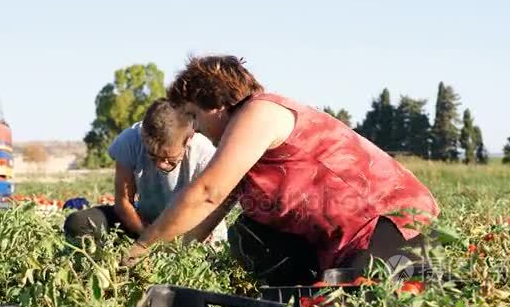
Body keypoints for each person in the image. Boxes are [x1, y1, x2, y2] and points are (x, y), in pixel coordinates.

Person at [123, 55, 440, 285]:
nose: (196, 129)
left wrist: (140, 249)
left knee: (369, 296)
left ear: (215, 103)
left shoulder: (260, 112)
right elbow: (202, 221)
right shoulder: (242, 152)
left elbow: (206, 193)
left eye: (194, 115)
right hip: (339, 243)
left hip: (389, 224)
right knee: (248, 234)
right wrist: (161, 270)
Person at [64, 98, 227, 245]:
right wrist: (148, 239)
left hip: (191, 231)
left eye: (169, 158)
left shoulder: (204, 153)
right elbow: (124, 203)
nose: (160, 165)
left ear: (189, 139)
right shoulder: (130, 140)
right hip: (144, 224)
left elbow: (209, 208)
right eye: (152, 156)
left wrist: (177, 243)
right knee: (78, 222)